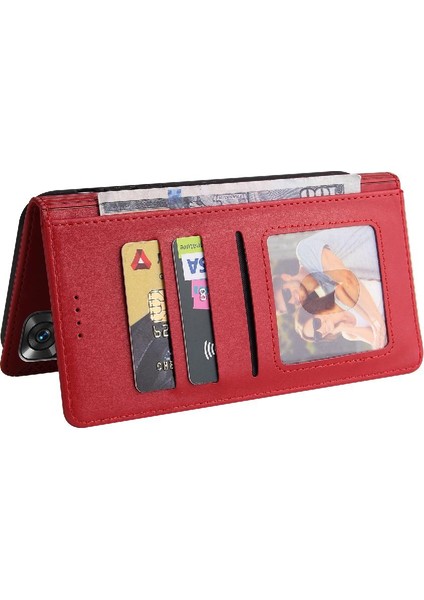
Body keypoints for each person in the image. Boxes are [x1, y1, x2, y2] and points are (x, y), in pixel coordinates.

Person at [294, 277, 387, 350]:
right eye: (317, 335)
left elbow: (377, 324)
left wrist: (375, 324)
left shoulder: (340, 292)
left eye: (316, 324)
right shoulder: (348, 334)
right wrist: (345, 328)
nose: (321, 331)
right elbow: (380, 341)